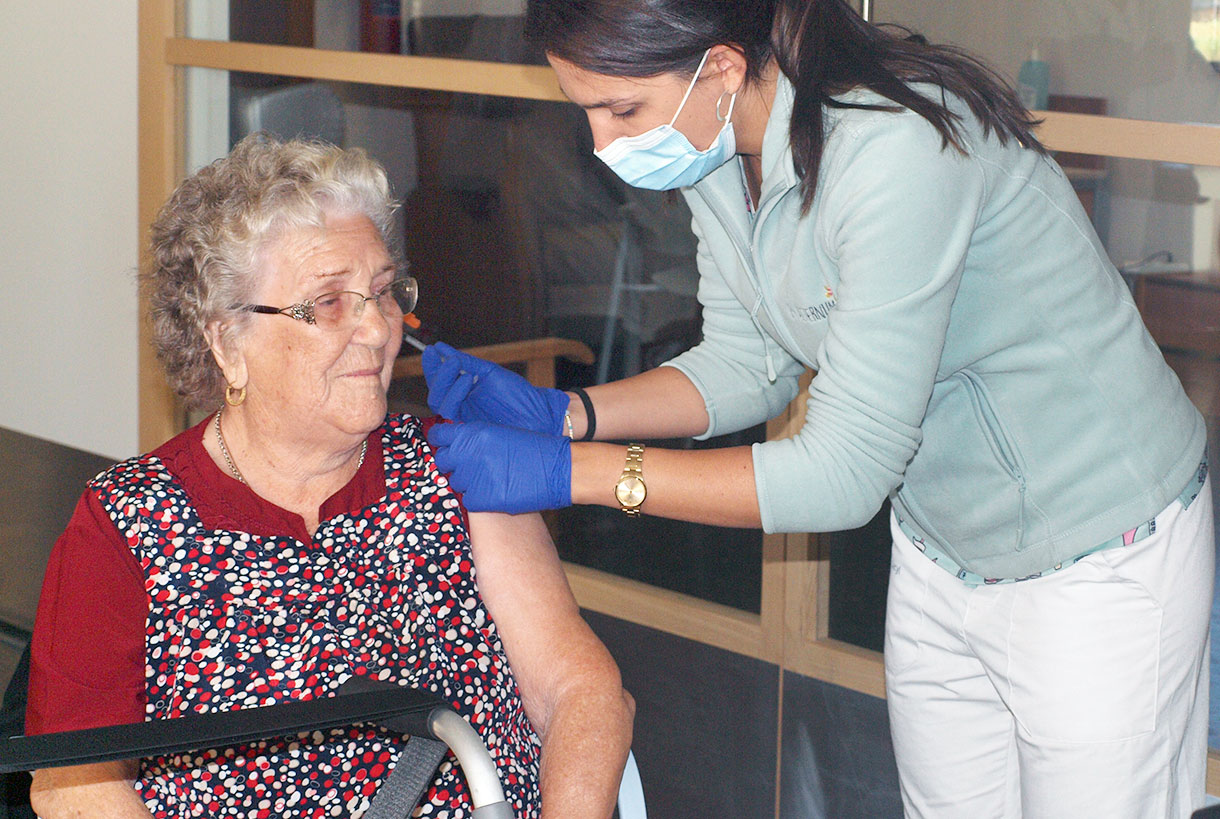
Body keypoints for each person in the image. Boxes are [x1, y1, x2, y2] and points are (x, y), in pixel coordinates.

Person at [420, 1, 1215, 816]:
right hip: (947, 544)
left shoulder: (894, 147)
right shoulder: (722, 149)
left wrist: (571, 471)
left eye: (623, 109)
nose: (603, 143)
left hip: (1098, 551)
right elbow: (748, 361)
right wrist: (567, 414)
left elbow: (843, 471)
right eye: (584, 110)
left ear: (723, 68)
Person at [24, 134, 634, 819]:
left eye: (382, 292)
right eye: (329, 303)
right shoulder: (129, 523)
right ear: (228, 342)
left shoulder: (458, 469)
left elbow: (579, 688)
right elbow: (76, 785)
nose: (377, 329)